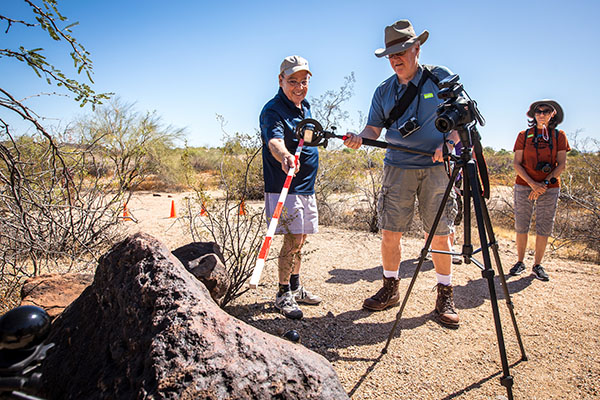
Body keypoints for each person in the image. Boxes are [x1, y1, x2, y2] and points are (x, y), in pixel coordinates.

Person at [344, 20, 461, 329]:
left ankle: (445, 293)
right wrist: (361, 138)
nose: (396, 59)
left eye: (402, 52)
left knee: (439, 232)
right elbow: (373, 128)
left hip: (437, 168)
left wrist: (449, 143)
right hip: (398, 167)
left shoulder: (441, 78)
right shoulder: (384, 91)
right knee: (390, 231)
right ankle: (390, 287)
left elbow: (460, 121)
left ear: (416, 49)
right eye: (390, 55)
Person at [259, 55, 322, 320]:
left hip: (306, 186)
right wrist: (285, 156)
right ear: (281, 80)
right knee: (293, 239)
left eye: (304, 81)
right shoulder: (273, 110)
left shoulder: (303, 107)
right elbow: (274, 141)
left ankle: (295, 286)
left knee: (302, 238)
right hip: (285, 185)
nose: (299, 87)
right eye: (293, 81)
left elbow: (307, 137)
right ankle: (282, 292)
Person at [509, 100, 570, 281]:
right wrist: (532, 184)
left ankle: (537, 265)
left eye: (546, 111)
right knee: (522, 224)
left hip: (549, 186)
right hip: (524, 185)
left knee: (544, 225)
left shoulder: (559, 136)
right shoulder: (524, 135)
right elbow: (517, 163)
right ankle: (520, 262)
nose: (541, 114)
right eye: (538, 111)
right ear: (534, 114)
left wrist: (543, 184)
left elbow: (561, 164)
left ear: (553, 114)